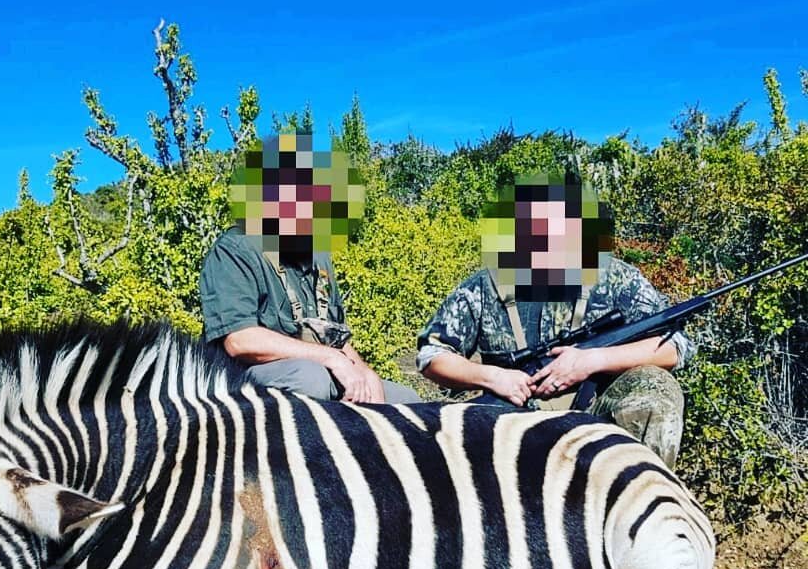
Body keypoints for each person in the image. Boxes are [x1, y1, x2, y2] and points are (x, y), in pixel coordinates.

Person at [417, 173, 693, 468]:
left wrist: (592, 360)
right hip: (510, 412)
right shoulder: (485, 286)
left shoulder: (616, 278)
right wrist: (495, 377)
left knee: (656, 388)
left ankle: (639, 500)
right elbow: (432, 355)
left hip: (597, 410)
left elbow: (675, 347)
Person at [200, 131, 420, 404]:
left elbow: (335, 336)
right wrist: (329, 358)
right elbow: (240, 341)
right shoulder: (236, 249)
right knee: (309, 378)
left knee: (407, 400)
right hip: (242, 386)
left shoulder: (319, 258)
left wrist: (363, 372)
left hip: (319, 370)